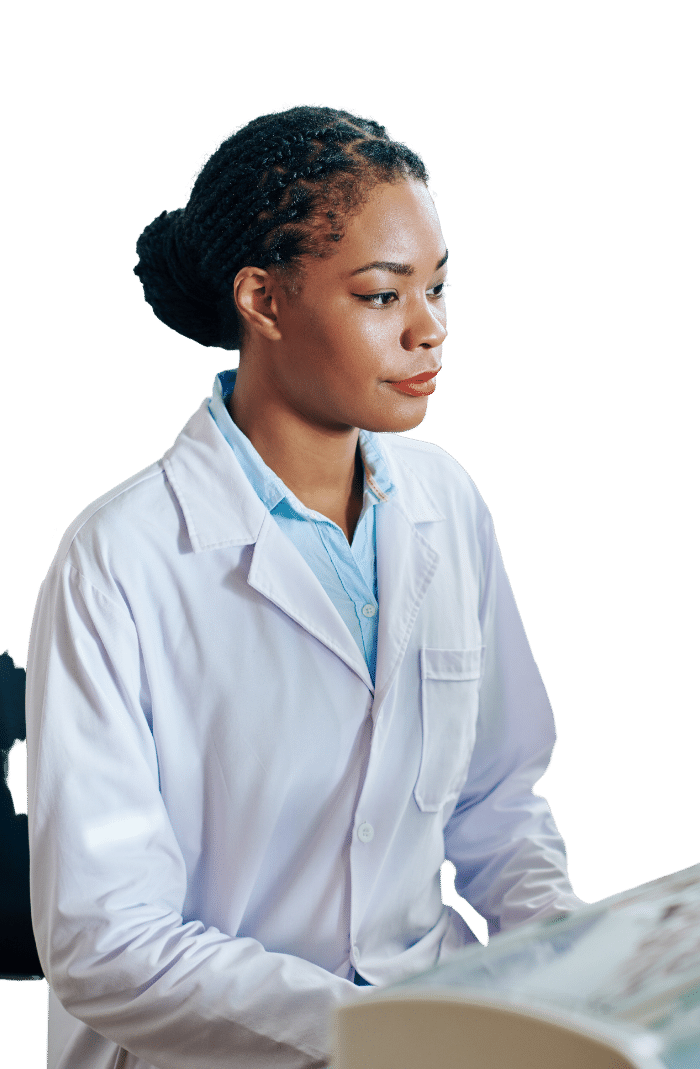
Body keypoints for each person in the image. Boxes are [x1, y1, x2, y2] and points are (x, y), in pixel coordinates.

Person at [25, 103, 585, 1069]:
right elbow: (105, 945)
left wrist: (573, 963)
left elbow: (496, 799)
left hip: (437, 1021)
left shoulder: (444, 501)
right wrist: (376, 1034)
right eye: (383, 295)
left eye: (439, 288)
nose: (430, 330)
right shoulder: (117, 560)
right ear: (264, 300)